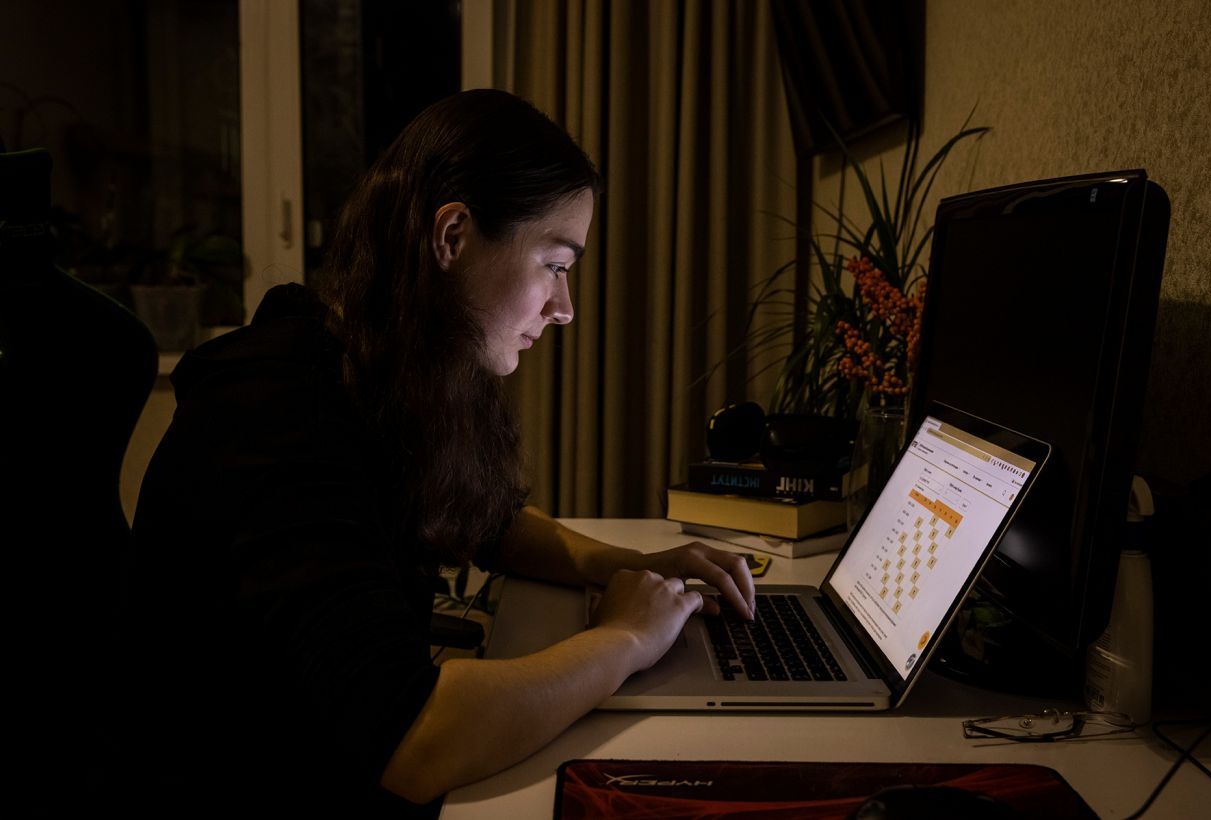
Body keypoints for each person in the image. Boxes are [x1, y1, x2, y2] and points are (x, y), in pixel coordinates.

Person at [116, 89, 755, 815]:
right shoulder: (282, 416)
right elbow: (409, 742)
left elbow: (483, 519)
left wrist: (624, 566)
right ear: (452, 237)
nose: (565, 307)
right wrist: (628, 638)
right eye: (555, 264)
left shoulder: (371, 363)